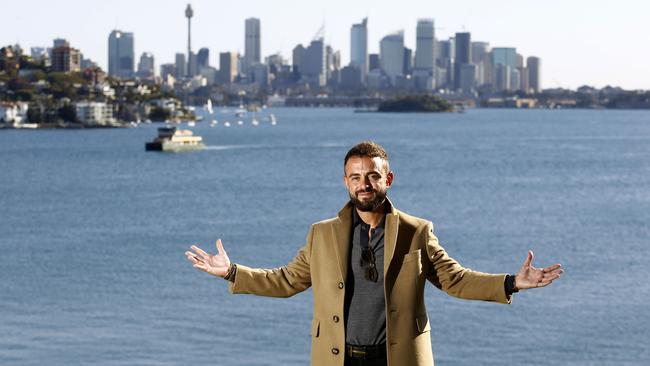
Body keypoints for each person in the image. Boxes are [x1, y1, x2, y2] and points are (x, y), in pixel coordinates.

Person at [185, 141, 563, 366]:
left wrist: (512, 283)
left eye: (372, 176)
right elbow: (286, 280)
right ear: (346, 182)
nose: (364, 184)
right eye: (356, 177)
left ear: (388, 179)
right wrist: (232, 272)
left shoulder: (417, 231)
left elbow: (455, 279)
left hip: (397, 357)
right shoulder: (322, 234)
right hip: (339, 356)